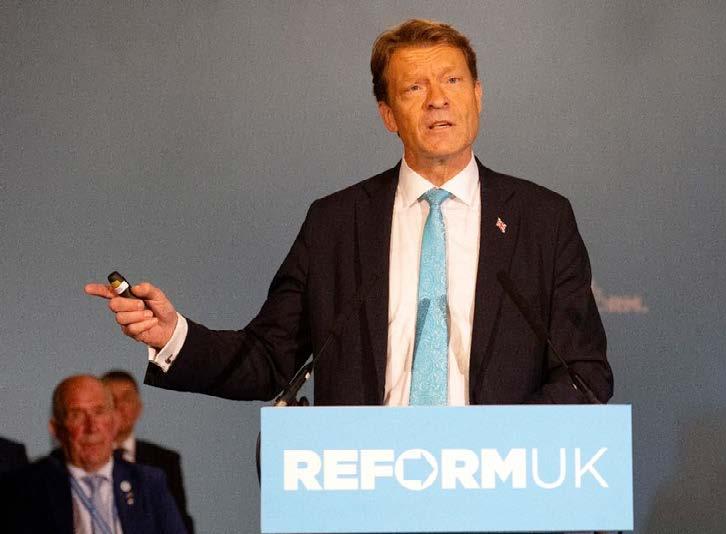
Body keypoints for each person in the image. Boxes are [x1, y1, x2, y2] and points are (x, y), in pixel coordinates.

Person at [86, 19, 612, 406]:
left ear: (477, 96)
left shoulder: (544, 221)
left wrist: (500, 447)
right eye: (414, 87)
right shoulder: (335, 225)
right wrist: (173, 336)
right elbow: (269, 359)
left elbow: (584, 376)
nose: (437, 100)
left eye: (452, 81)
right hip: (363, 494)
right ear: (388, 115)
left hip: (501, 492)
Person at [1, 375, 187, 534]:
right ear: (56, 429)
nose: (91, 427)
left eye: (99, 412)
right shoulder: (27, 487)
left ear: (114, 423)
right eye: (77, 415)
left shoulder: (148, 482)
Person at [101, 370, 195, 534]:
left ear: (139, 408)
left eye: (126, 399)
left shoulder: (164, 461)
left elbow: (179, 522)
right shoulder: (74, 458)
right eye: (111, 399)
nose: (119, 406)